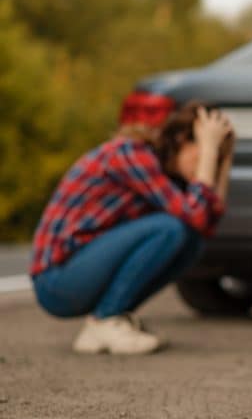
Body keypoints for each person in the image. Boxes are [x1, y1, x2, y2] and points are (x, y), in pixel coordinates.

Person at [30, 102, 235, 355]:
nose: (207, 167)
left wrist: (224, 162)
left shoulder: (169, 176)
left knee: (192, 242)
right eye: (204, 154)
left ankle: (109, 320)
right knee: (171, 229)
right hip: (57, 280)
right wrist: (210, 151)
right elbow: (195, 215)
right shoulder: (135, 155)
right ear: (182, 139)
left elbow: (206, 224)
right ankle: (105, 319)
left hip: (81, 272)